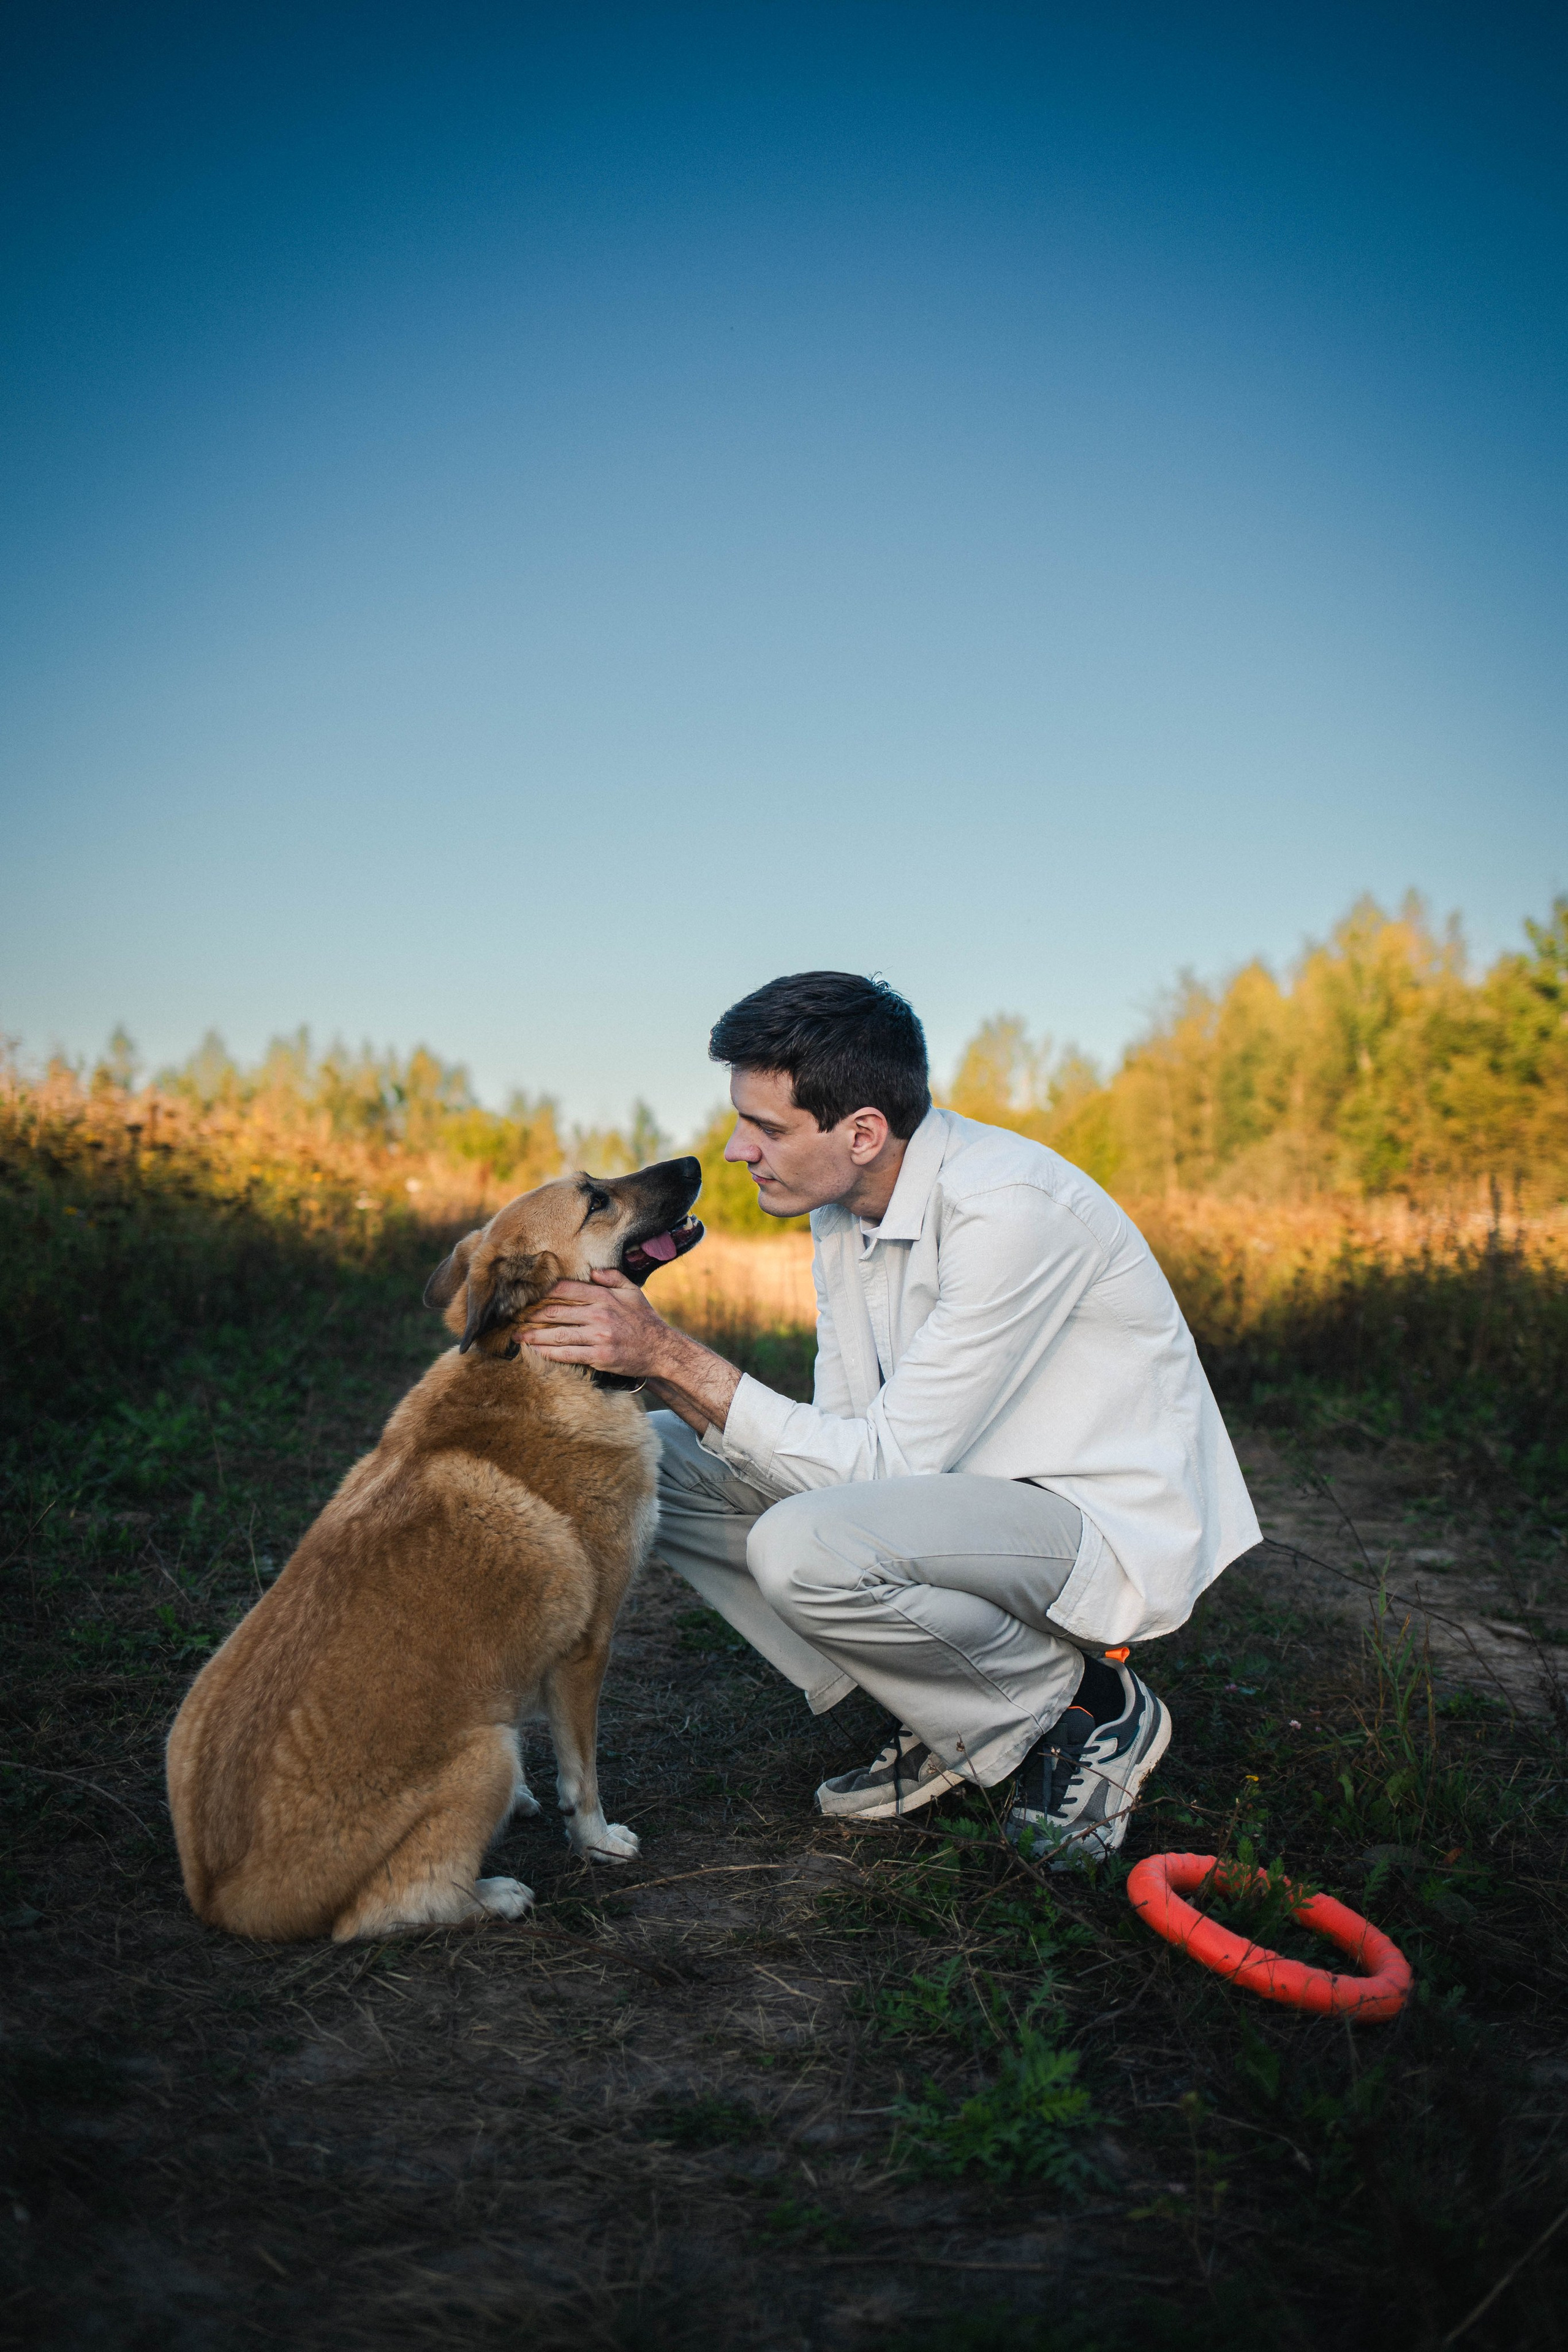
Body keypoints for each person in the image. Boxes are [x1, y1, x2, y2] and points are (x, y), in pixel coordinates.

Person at [522, 972, 1260, 1865]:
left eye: (766, 1127)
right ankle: (946, 1710)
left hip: (1089, 1524)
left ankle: (1084, 1710)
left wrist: (665, 1355)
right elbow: (844, 1433)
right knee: (659, 1464)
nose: (735, 1148)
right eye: (740, 1119)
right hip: (965, 1500)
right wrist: (654, 1372)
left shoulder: (1008, 1210)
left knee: (804, 1545)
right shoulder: (843, 1214)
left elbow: (871, 1472)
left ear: (863, 1131)